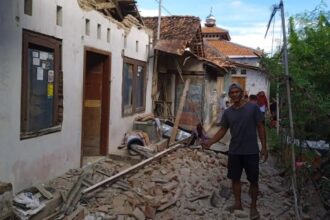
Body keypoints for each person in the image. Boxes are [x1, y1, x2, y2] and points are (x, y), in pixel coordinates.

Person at [201, 83, 268, 220]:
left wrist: (264, 147)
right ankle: (238, 204)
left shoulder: (253, 108)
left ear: (242, 93)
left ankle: (253, 207)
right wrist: (210, 142)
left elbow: (261, 127)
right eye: (232, 92)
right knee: (235, 178)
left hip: (251, 151)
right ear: (230, 95)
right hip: (234, 152)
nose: (235, 94)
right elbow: (222, 130)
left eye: (237, 92)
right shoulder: (228, 112)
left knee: (253, 180)